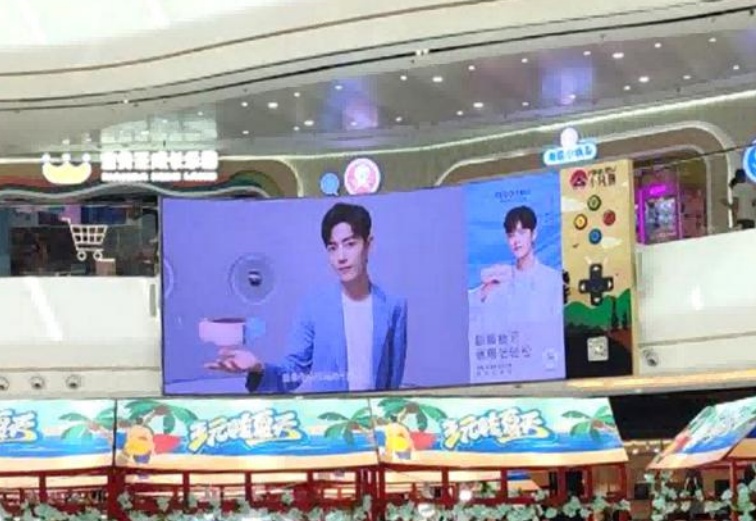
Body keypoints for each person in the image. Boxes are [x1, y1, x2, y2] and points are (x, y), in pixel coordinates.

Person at [206, 202, 408, 393]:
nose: (341, 257)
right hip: (328, 415)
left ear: (368, 245)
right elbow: (292, 372)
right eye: (333, 248)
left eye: (350, 244)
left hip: (373, 415)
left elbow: (393, 386)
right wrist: (258, 368)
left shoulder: (394, 307)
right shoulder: (314, 306)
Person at [477, 205, 562, 312]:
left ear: (534, 234)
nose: (516, 241)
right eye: (511, 235)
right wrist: (484, 293)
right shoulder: (501, 278)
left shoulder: (552, 279)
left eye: (521, 233)